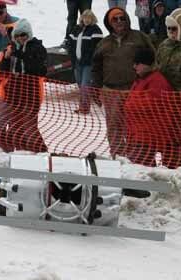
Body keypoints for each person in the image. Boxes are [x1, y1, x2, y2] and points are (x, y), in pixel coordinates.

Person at [91, 7, 155, 158]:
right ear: (109, 22)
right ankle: (118, 158)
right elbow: (96, 68)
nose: (119, 21)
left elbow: (153, 58)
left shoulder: (139, 37)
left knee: (136, 127)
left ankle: (137, 158)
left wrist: (148, 83)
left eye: (122, 18)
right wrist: (97, 89)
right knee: (114, 128)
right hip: (110, 92)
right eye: (115, 19)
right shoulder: (103, 43)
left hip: (134, 91)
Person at [0, 18, 48, 153]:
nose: (20, 38)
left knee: (29, 128)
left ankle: (40, 153)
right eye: (17, 35)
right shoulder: (9, 48)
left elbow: (38, 68)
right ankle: (4, 151)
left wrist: (17, 54)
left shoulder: (37, 47)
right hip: (10, 93)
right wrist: (5, 58)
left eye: (23, 34)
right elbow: (0, 72)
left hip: (31, 95)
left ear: (29, 34)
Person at [124, 48, 174, 165]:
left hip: (148, 136)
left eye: (137, 63)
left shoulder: (157, 81)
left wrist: (128, 105)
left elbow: (151, 104)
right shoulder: (141, 79)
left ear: (147, 64)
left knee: (139, 168)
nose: (134, 66)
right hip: (138, 133)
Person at [68, 10, 102, 113]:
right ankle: (94, 95)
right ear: (81, 18)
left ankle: (84, 107)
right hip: (77, 62)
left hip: (88, 63)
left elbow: (97, 48)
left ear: (92, 19)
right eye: (85, 17)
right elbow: (71, 45)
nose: (86, 20)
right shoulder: (76, 29)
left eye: (89, 18)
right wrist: (73, 58)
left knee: (84, 85)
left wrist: (89, 59)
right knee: (79, 83)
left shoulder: (96, 30)